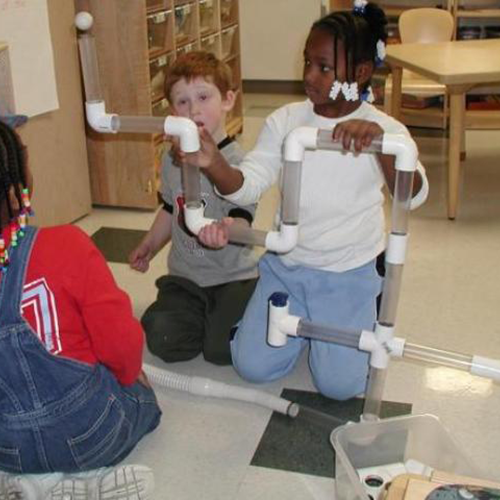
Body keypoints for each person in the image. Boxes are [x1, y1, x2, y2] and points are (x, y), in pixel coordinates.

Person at [190, 2, 429, 401]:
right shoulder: (286, 120)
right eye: (306, 63)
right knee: (251, 367)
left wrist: (381, 148)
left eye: (323, 68)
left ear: (360, 73)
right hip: (288, 269)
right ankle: (291, 327)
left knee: (341, 387)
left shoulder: (387, 129)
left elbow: (416, 196)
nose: (308, 76)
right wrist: (213, 162)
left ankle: (359, 309)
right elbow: (247, 184)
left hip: (348, 274)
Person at [0, 118, 161, 499]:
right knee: (147, 404)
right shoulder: (66, 245)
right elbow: (120, 343)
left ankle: (39, 479)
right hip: (91, 434)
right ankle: (85, 478)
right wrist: (132, 372)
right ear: (17, 188)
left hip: (8, 449)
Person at [129, 51, 258, 366]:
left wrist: (226, 231)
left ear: (228, 99)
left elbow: (244, 223)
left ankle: (244, 311)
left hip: (232, 277)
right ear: (172, 111)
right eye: (182, 102)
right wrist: (149, 245)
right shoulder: (171, 158)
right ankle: (201, 317)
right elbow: (169, 209)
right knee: (162, 339)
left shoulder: (240, 164)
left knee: (222, 352)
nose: (194, 109)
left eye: (203, 97)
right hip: (186, 278)